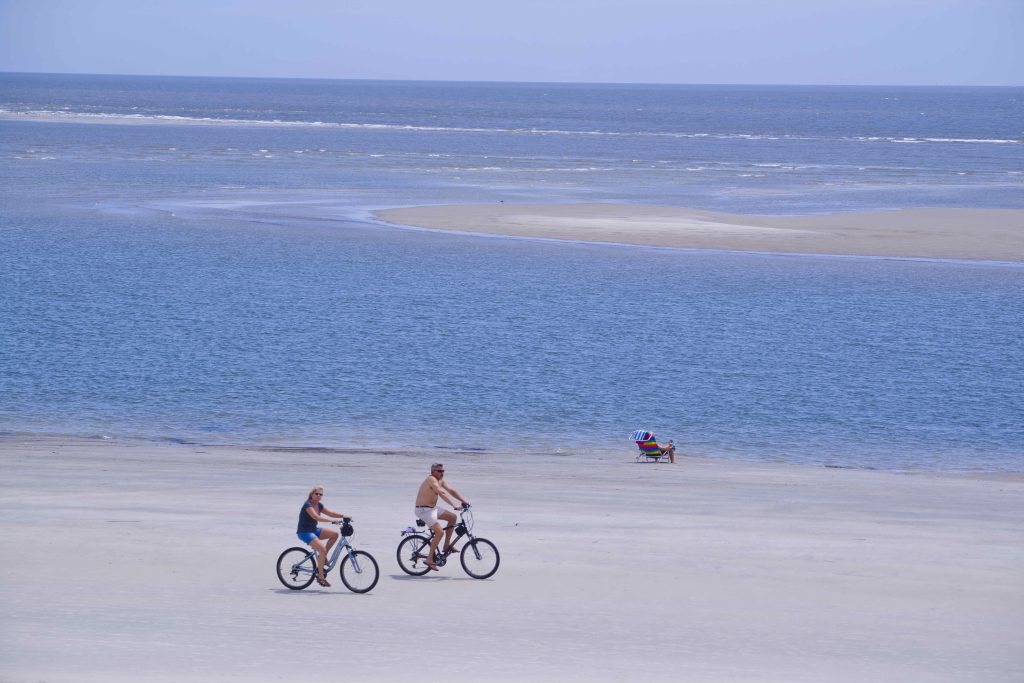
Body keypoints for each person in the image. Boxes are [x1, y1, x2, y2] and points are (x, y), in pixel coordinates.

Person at [414, 462, 469, 571]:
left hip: (432, 509)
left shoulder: (440, 480)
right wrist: (453, 505)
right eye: (439, 471)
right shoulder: (431, 479)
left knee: (453, 518)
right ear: (433, 471)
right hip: (423, 510)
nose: (442, 473)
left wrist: (463, 501)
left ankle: (446, 545)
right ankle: (429, 559)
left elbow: (451, 490)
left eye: (443, 471)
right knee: (440, 532)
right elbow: (441, 493)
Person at [296, 485, 350, 587]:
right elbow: (316, 517)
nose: (318, 496)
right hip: (304, 532)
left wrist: (344, 516)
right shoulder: (308, 505)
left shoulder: (319, 505)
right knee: (322, 549)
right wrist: (332, 521)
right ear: (311, 495)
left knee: (334, 534)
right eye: (316, 494)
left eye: (321, 494)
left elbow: (331, 513)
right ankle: (320, 577)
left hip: (313, 530)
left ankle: (322, 557)